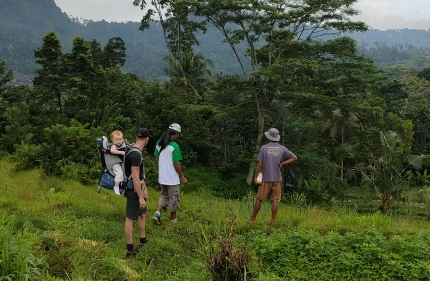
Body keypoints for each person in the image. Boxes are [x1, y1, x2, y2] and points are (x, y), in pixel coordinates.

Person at [249, 128, 297, 224]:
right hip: (277, 179)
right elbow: (294, 157)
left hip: (266, 178)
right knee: (275, 200)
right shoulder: (282, 149)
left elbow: (259, 164)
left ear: (268, 137)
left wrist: (256, 176)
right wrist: (283, 163)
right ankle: (273, 221)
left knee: (259, 199)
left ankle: (252, 219)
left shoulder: (264, 148)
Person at [152, 123, 188, 224]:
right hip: (172, 179)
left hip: (162, 177)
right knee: (174, 198)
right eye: (179, 135)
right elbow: (176, 164)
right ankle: (173, 220)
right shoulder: (174, 146)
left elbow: (156, 159)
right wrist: (182, 177)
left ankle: (157, 213)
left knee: (164, 195)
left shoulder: (159, 143)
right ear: (176, 133)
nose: (178, 137)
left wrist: (160, 171)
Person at [123, 128, 150, 258]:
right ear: (147, 139)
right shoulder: (136, 154)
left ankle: (143, 240)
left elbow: (140, 176)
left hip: (138, 188)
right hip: (133, 190)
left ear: (136, 137)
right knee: (130, 218)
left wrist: (145, 190)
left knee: (142, 214)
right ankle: (130, 250)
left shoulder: (133, 150)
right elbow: (134, 177)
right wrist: (140, 197)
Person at [109, 130, 126, 195]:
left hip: (117, 162)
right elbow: (112, 151)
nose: (118, 141)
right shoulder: (114, 145)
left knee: (122, 173)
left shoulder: (121, 145)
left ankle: (120, 186)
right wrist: (121, 152)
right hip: (113, 162)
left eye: (120, 139)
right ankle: (116, 187)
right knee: (119, 174)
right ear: (112, 140)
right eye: (116, 140)